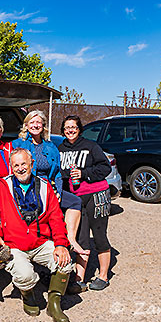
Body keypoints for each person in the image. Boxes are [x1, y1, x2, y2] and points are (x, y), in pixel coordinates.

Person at [0, 148, 73, 322]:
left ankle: (54, 304)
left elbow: (56, 217)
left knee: (65, 262)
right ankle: (28, 294)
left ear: (32, 164)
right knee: (24, 275)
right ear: (11, 167)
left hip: (40, 242)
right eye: (15, 165)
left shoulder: (45, 186)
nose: (20, 168)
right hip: (14, 245)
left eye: (23, 164)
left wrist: (61, 244)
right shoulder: (3, 186)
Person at [12, 110, 86, 255]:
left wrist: (57, 192)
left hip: (48, 188)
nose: (35, 125)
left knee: (75, 202)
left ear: (43, 125)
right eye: (32, 122)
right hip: (28, 188)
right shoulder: (18, 144)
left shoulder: (50, 146)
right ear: (26, 125)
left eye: (38, 122)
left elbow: (57, 173)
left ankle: (70, 238)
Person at [58, 115, 113, 291]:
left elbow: (105, 167)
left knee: (99, 235)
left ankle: (103, 276)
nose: (70, 130)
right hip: (75, 200)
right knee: (80, 238)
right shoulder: (60, 149)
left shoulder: (91, 146)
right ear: (63, 130)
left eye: (73, 127)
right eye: (67, 128)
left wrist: (84, 173)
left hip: (97, 195)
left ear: (79, 129)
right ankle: (79, 278)